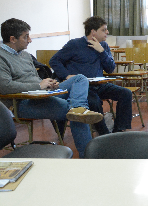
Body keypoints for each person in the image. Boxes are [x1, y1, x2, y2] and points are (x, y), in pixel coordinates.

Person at [0, 18, 101, 158]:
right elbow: (4, 86)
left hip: (42, 93)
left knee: (79, 78)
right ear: (12, 39)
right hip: (22, 103)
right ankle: (89, 157)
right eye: (26, 37)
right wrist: (39, 85)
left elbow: (34, 79)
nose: (29, 40)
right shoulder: (1, 57)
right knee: (74, 113)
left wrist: (47, 82)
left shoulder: (24, 54)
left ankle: (78, 108)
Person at [50, 16, 132, 134]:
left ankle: (118, 130)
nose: (107, 32)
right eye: (103, 30)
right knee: (94, 102)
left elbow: (110, 69)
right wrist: (67, 76)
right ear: (93, 32)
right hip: (83, 88)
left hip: (100, 85)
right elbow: (54, 61)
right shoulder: (75, 44)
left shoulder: (103, 46)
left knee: (126, 93)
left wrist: (102, 52)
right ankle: (104, 134)